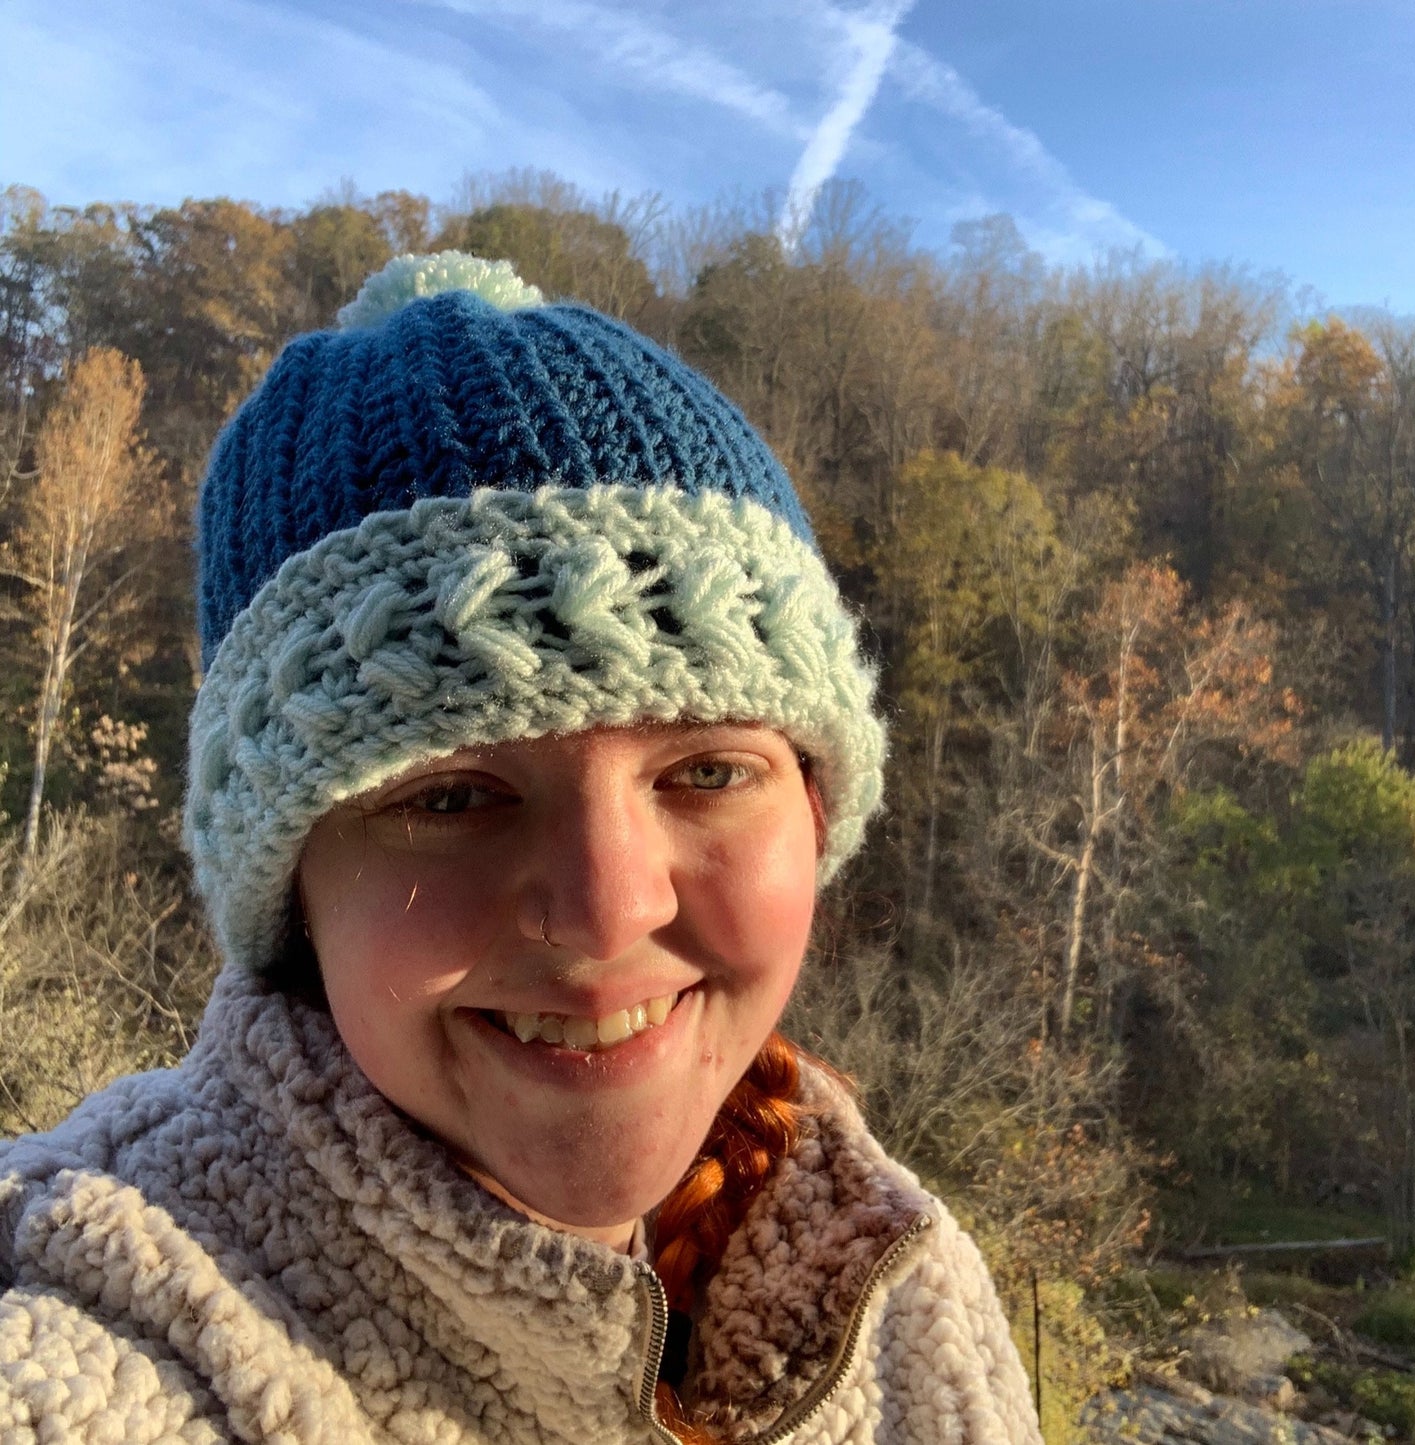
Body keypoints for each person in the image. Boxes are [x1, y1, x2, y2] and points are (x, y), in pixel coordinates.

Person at [0, 254, 1042, 1444]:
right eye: (450, 797)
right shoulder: (106, 1321)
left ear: (813, 806)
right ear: (292, 886)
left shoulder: (909, 1292)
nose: (608, 909)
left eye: (705, 771)